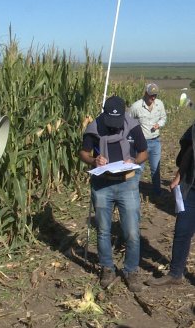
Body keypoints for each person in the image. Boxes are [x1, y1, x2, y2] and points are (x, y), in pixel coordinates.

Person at [79, 95, 148, 292]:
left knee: (132, 231)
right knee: (103, 230)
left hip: (128, 184)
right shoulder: (94, 127)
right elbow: (83, 152)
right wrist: (94, 161)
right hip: (102, 185)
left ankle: (131, 270)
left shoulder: (133, 126)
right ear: (104, 114)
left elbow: (143, 151)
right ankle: (107, 268)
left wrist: (133, 161)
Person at [148, 123, 195, 286]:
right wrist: (178, 176)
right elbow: (189, 150)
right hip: (192, 187)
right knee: (182, 230)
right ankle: (175, 273)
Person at [129, 83, 167, 196]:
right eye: (151, 95)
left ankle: (157, 193)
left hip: (155, 141)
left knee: (155, 168)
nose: (153, 98)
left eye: (155, 95)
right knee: (138, 169)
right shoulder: (136, 107)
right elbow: (128, 123)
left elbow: (163, 117)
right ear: (145, 93)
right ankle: (133, 193)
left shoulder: (160, 104)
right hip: (141, 143)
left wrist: (159, 124)